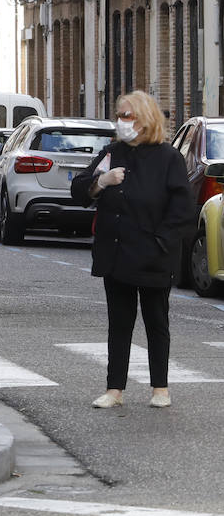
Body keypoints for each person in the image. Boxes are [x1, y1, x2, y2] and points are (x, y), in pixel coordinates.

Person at [71, 91, 193, 410]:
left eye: (127, 116)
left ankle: (160, 388)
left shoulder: (169, 158)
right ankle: (114, 389)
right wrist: (102, 181)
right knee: (119, 323)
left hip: (154, 256)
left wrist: (160, 243)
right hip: (117, 254)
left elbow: (181, 210)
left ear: (144, 118)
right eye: (119, 116)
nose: (121, 122)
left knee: (156, 321)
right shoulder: (113, 152)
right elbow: (79, 190)